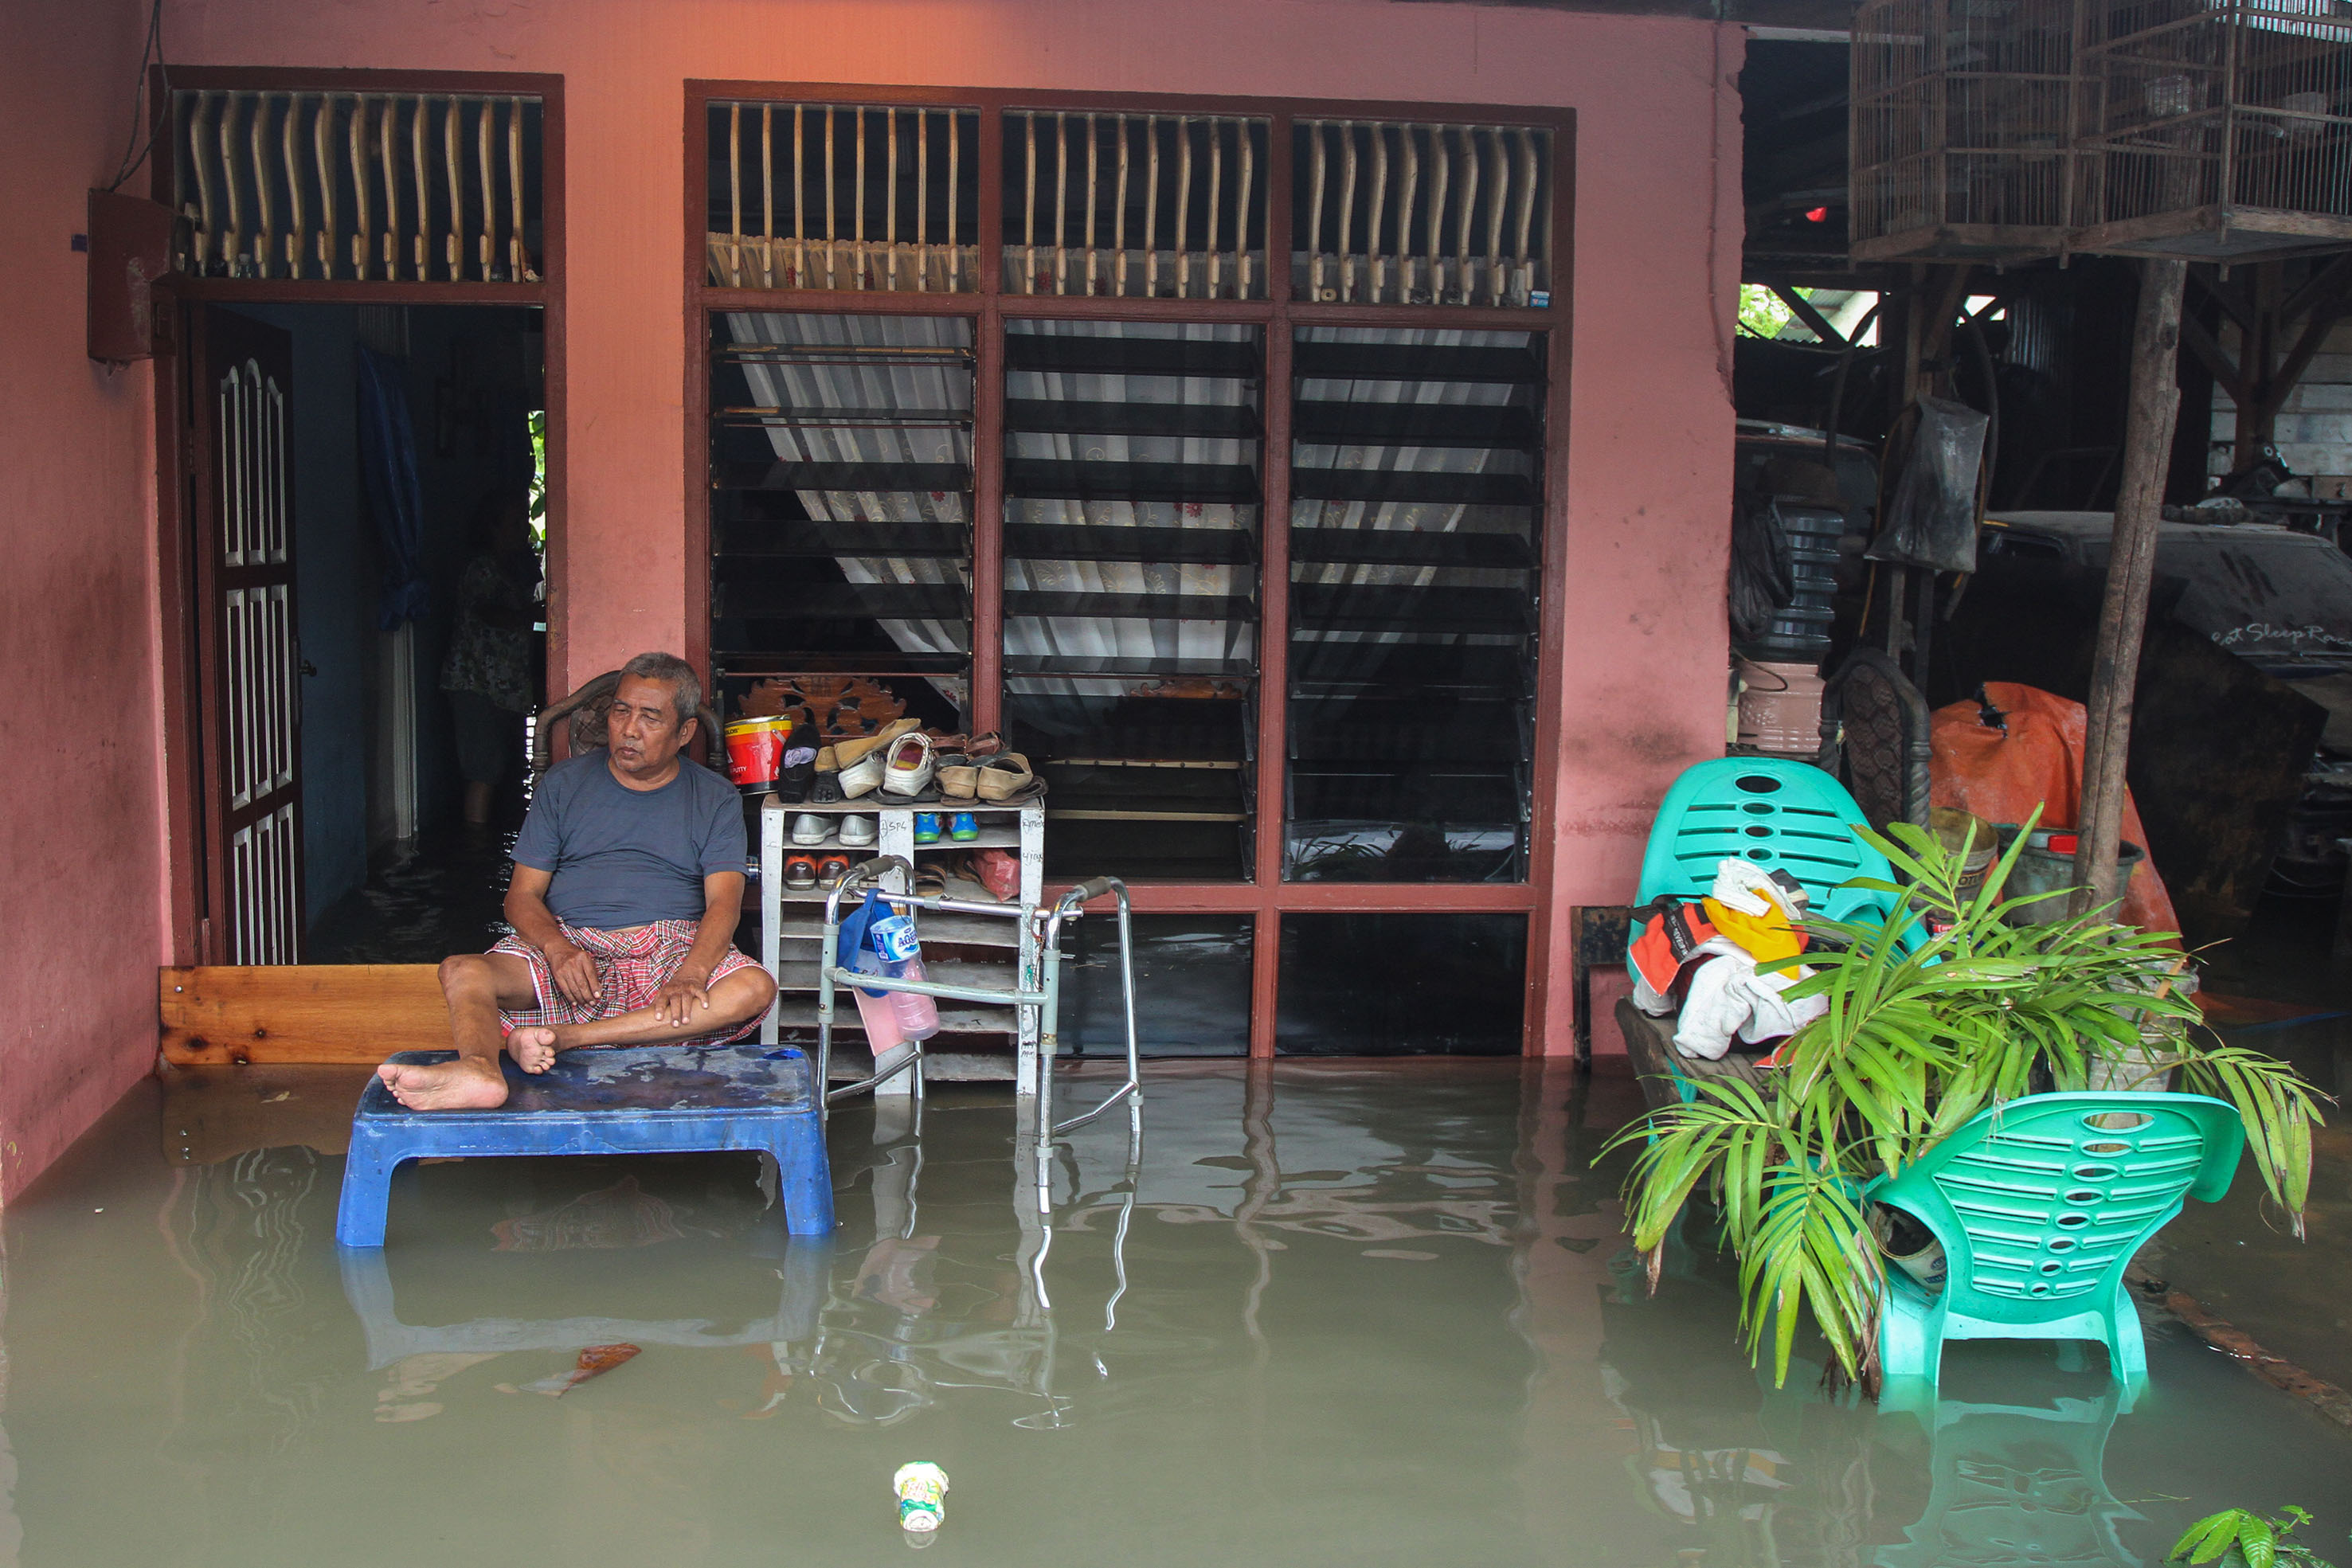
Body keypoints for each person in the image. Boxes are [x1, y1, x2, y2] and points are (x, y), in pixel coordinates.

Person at [380, 651, 778, 1111]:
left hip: (670, 950)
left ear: (684, 732)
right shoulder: (563, 784)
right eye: (621, 711)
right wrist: (558, 948)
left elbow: (723, 906)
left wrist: (690, 974)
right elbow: (521, 897)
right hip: (571, 947)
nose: (629, 730)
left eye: (650, 717)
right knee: (462, 970)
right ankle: (479, 1070)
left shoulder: (715, 797)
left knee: (754, 987)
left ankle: (565, 1038)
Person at [440, 491, 543, 829]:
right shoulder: (482, 569)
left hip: (499, 684)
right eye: (514, 523)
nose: (522, 529)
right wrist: (529, 612)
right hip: (477, 682)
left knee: (498, 764)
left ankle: (489, 838)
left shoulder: (506, 567)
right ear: (493, 528)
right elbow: (489, 614)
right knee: (483, 768)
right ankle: (476, 848)